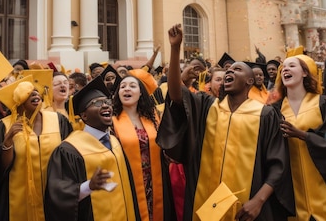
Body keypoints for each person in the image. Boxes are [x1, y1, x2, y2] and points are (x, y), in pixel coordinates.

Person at [157, 24, 293, 221]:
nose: (229, 72)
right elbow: (176, 94)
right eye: (228, 70)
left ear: (249, 81)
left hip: (246, 206)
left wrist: (259, 201)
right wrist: (175, 48)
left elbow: (278, 165)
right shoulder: (207, 107)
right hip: (204, 203)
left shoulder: (265, 115)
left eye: (237, 70)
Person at [44, 76, 138, 221]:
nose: (106, 105)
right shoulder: (69, 150)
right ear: (84, 115)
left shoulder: (114, 142)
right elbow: (57, 196)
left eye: (107, 101)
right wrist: (89, 186)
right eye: (97, 103)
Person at [0, 77, 72, 221]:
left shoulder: (58, 121)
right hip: (18, 198)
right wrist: (7, 141)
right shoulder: (5, 126)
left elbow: (70, 158)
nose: (34, 94)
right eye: (28, 93)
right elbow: (0, 169)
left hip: (54, 194)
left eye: (35, 91)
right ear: (18, 101)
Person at [277, 54, 326, 221]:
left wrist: (304, 136)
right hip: (292, 188)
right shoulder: (275, 110)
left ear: (304, 73)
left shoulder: (324, 104)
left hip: (324, 184)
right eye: (284, 67)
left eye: (292, 65)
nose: (285, 69)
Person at [112, 68, 172, 221]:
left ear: (140, 93)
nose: (126, 89)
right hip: (128, 182)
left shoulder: (153, 118)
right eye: (123, 86)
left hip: (155, 180)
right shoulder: (111, 121)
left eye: (132, 86)